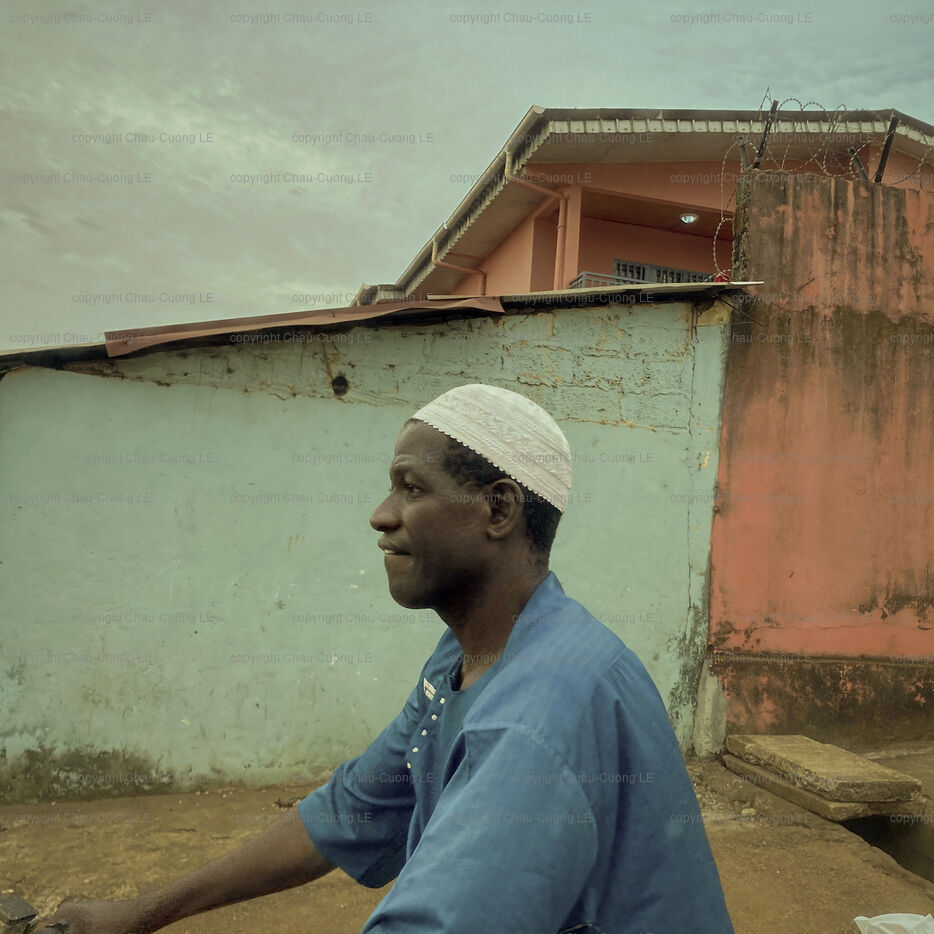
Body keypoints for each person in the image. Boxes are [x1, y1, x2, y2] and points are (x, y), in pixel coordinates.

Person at [50, 384, 734, 933]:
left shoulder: (541, 712)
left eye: (411, 487)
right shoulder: (463, 659)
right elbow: (350, 810)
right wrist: (142, 915)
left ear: (498, 509)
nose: (381, 514)